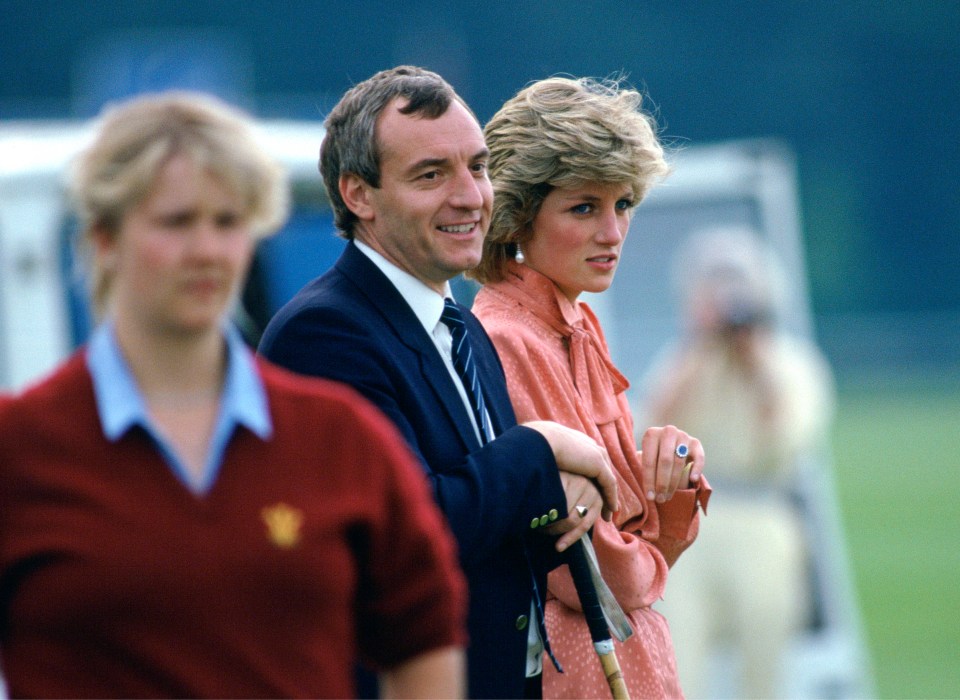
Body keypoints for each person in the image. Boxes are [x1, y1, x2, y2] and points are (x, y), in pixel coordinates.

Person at [0, 91, 468, 699]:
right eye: (176, 222)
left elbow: (423, 640)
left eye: (227, 222)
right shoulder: (21, 449)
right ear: (104, 238)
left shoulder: (340, 440)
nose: (207, 250)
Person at [258, 65, 620, 699]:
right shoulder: (323, 335)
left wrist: (566, 500)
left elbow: (489, 523)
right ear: (358, 195)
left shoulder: (463, 328)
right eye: (431, 175)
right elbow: (412, 525)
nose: (470, 196)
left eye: (477, 168)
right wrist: (540, 449)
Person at [470, 76, 710, 699]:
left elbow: (627, 532)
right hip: (576, 665)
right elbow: (583, 572)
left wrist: (673, 476)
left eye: (624, 203)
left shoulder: (579, 321)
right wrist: (654, 556)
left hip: (624, 654)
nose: (612, 232)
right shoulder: (508, 336)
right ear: (517, 215)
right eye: (584, 207)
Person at [640, 226, 836, 699]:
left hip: (764, 512)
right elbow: (650, 426)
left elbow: (787, 437)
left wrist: (754, 359)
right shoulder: (685, 361)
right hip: (691, 518)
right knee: (679, 656)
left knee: (763, 659)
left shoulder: (790, 363)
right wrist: (700, 342)